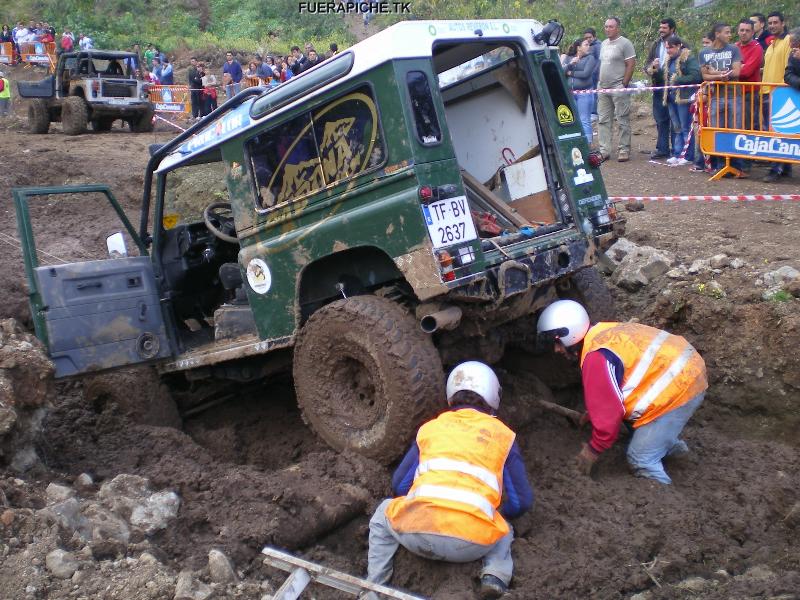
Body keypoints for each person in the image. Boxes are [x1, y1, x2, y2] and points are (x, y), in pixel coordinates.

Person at [365, 361, 533, 600]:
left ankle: (374, 589)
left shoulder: (430, 429)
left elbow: (399, 485)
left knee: (383, 512)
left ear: (451, 395)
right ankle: (495, 576)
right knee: (503, 527)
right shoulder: (503, 436)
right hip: (470, 546)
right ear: (493, 396)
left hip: (416, 536)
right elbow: (522, 502)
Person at [537, 300, 707, 485]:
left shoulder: (596, 358)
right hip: (685, 368)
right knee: (639, 430)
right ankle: (673, 452)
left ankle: (665, 502)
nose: (557, 349)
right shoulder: (602, 333)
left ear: (570, 333)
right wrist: (595, 415)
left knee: (640, 460)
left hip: (680, 387)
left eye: (557, 341)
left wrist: (592, 451)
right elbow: (614, 391)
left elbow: (610, 413)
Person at [699, 22, 745, 175]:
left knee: (735, 129)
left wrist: (715, 73)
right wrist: (721, 75)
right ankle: (719, 164)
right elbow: (704, 75)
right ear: (717, 34)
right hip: (715, 96)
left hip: (734, 95)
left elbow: (736, 72)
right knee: (716, 130)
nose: (730, 35)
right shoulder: (704, 53)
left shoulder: (734, 49)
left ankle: (736, 165)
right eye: (726, 32)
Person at [597, 16, 636, 162]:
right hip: (603, 88)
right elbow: (603, 64)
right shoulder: (604, 44)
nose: (608, 29)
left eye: (611, 26)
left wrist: (624, 84)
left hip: (618, 87)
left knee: (622, 119)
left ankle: (624, 149)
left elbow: (631, 64)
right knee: (603, 120)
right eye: (606, 26)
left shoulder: (625, 43)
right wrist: (599, 83)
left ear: (617, 27)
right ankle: (604, 150)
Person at [762, 12, 793, 183]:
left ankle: (776, 168)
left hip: (780, 92)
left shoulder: (789, 41)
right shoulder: (772, 43)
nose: (772, 25)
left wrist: (781, 89)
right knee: (773, 130)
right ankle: (785, 166)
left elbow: (790, 67)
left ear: (783, 23)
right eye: (770, 23)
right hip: (767, 90)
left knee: (777, 132)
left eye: (775, 22)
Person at [662, 35, 701, 167]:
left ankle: (688, 155)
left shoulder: (688, 58)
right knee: (676, 127)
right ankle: (677, 153)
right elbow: (666, 76)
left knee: (686, 126)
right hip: (672, 97)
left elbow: (696, 75)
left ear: (679, 46)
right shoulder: (668, 60)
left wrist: (679, 80)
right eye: (667, 48)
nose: (668, 51)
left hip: (684, 97)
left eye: (671, 48)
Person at [644, 18, 676, 159]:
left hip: (675, 87)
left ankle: (678, 150)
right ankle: (662, 148)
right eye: (660, 27)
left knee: (676, 120)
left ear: (672, 29)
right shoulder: (656, 44)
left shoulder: (681, 43)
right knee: (660, 119)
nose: (661, 30)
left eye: (664, 28)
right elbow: (647, 65)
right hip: (658, 86)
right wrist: (652, 67)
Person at [564, 38, 598, 145]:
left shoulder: (590, 58)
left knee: (584, 119)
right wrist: (570, 64)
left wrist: (571, 73)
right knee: (573, 120)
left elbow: (586, 74)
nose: (589, 47)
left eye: (589, 45)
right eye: (586, 45)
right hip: (571, 93)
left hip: (585, 93)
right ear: (578, 47)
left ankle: (587, 144)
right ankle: (576, 142)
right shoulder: (569, 58)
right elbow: (560, 71)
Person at [736, 19, 764, 137]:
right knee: (734, 125)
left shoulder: (757, 48)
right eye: (742, 30)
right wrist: (739, 67)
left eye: (747, 30)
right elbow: (724, 68)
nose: (744, 33)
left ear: (753, 32)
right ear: (737, 32)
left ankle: (749, 155)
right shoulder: (734, 47)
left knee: (749, 125)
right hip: (733, 93)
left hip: (749, 94)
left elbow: (747, 72)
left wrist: (736, 69)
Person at [583, 27, 602, 116]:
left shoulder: (598, 45)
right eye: (586, 38)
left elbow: (600, 60)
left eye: (589, 37)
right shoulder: (588, 46)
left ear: (594, 36)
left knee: (594, 93)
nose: (588, 39)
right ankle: (592, 111)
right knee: (590, 92)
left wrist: (595, 72)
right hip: (589, 74)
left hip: (595, 74)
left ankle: (594, 113)